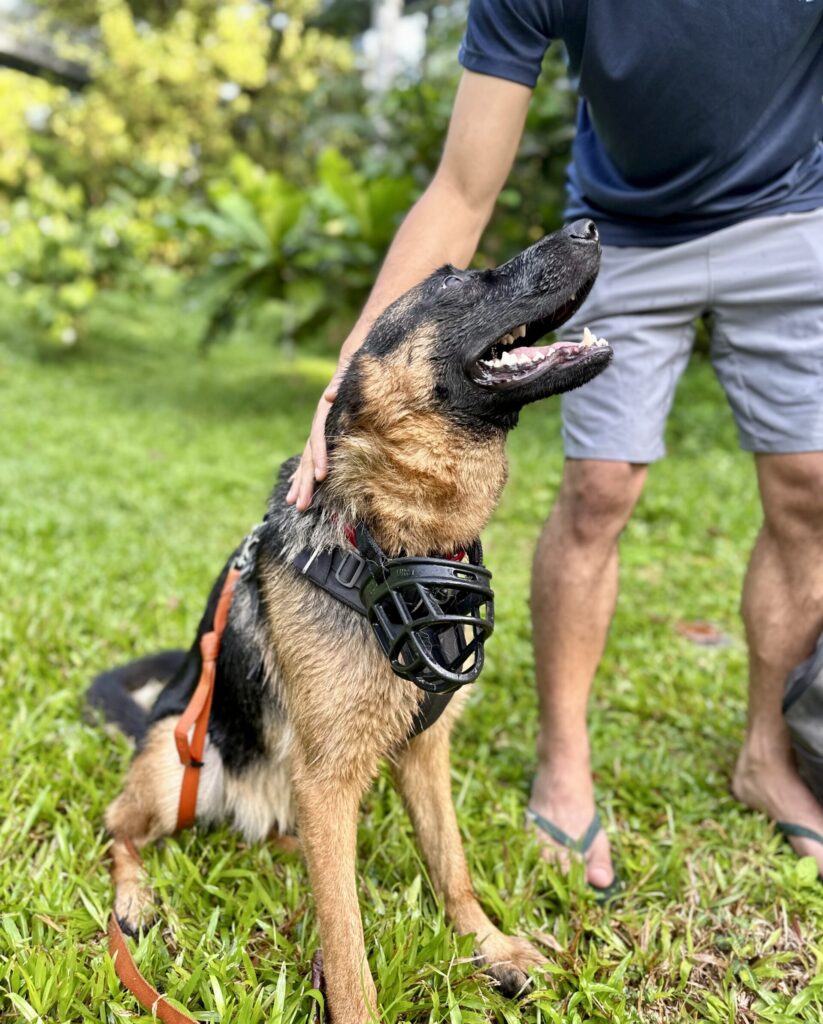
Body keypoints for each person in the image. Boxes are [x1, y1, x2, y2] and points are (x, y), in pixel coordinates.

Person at [287, 1, 823, 887]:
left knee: (810, 486)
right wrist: (353, 367)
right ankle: (564, 764)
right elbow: (462, 190)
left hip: (793, 215)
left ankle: (766, 755)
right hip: (627, 234)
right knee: (600, 490)